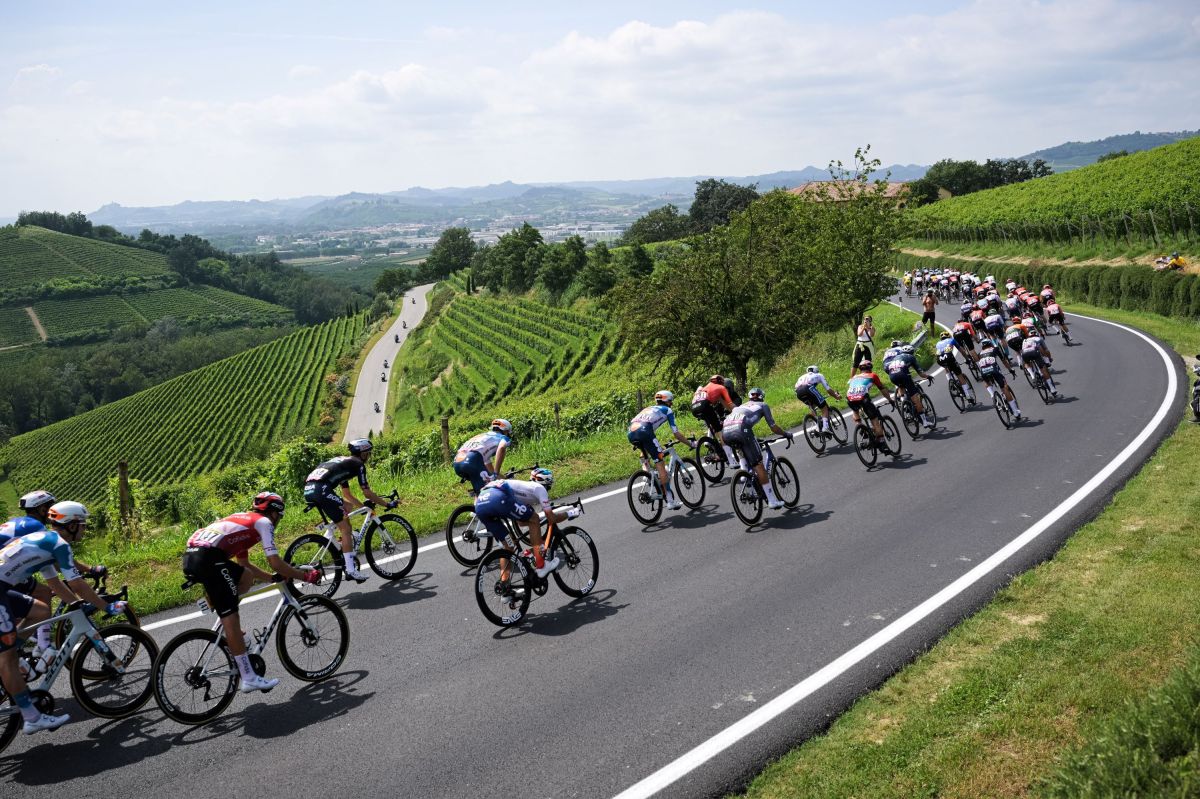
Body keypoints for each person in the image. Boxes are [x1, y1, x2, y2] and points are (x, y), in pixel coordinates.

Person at [0, 501, 124, 734]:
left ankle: (13, 651)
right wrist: (107, 607)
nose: (85, 530)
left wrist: (78, 605)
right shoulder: (59, 545)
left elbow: (56, 585)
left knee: (40, 611)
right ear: (71, 525)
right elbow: (77, 584)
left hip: (3, 587)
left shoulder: (47, 542)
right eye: (83, 525)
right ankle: (32, 718)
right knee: (7, 659)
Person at [183, 492, 320, 693]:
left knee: (245, 577)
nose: (278, 521)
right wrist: (304, 576)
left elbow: (244, 564)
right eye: (279, 517)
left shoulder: (244, 520)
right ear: (275, 513)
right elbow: (275, 562)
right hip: (208, 558)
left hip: (192, 556)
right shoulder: (264, 523)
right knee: (231, 616)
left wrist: (272, 578)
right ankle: (249, 677)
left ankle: (228, 623)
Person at [303, 439, 396, 582]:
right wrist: (386, 504)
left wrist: (363, 507)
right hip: (321, 490)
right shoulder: (358, 465)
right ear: (363, 453)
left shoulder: (343, 464)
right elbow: (367, 492)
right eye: (368, 453)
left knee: (348, 507)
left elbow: (347, 495)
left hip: (310, 489)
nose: (369, 456)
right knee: (345, 528)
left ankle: (339, 544)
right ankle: (351, 570)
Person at [474, 468, 581, 582]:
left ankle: (504, 586)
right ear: (546, 484)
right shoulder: (540, 489)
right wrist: (570, 513)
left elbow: (520, 522)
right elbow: (551, 518)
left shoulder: (523, 489)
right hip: (498, 498)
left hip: (480, 504)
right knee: (534, 519)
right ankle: (541, 565)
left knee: (509, 547)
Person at [721, 388, 793, 510]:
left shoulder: (741, 406)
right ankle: (772, 500)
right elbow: (773, 427)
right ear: (762, 397)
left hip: (725, 433)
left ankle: (744, 474)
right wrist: (785, 434)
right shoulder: (763, 405)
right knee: (758, 465)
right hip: (741, 430)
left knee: (741, 447)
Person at [627, 391, 694, 510]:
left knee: (648, 449)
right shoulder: (667, 410)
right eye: (670, 401)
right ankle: (670, 501)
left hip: (631, 432)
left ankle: (646, 472)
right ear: (666, 401)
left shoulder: (648, 408)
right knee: (660, 463)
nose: (671, 404)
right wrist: (690, 444)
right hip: (645, 431)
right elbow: (676, 434)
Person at [882, 340, 936, 430]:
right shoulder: (911, 357)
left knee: (901, 385)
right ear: (912, 352)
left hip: (891, 374)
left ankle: (904, 401)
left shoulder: (896, 356)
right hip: (902, 374)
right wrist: (928, 377)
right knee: (915, 397)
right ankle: (925, 421)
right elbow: (921, 374)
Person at [845, 361, 897, 453]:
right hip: (863, 398)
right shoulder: (873, 375)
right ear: (870, 368)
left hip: (850, 398)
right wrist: (890, 400)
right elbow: (882, 389)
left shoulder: (854, 377)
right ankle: (882, 444)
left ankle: (860, 426)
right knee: (875, 421)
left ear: (860, 369)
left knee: (855, 410)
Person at [453, 419, 513, 494]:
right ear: (506, 431)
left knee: (480, 491)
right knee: (487, 492)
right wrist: (496, 472)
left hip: (457, 463)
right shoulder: (503, 437)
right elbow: (501, 448)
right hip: (472, 460)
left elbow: (490, 472)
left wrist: (505, 480)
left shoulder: (483, 436)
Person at [690, 376, 735, 462]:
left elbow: (721, 402)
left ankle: (709, 441)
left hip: (694, 409)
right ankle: (731, 460)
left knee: (711, 421)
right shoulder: (721, 388)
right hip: (704, 406)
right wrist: (737, 412)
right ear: (721, 383)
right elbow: (729, 404)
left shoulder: (704, 388)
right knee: (719, 431)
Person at [977, 341, 1022, 419]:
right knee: (1004, 387)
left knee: (986, 382)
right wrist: (1010, 369)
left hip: (983, 372)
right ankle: (1015, 411)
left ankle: (992, 395)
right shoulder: (995, 349)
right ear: (990, 344)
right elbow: (1004, 361)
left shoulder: (980, 353)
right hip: (994, 370)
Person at [795, 365, 843, 437]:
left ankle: (816, 427)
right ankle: (825, 428)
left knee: (812, 407)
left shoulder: (802, 377)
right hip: (808, 388)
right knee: (824, 408)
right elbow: (828, 390)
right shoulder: (819, 375)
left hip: (798, 392)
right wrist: (836, 396)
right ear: (816, 371)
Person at [935, 331, 977, 404]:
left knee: (946, 366)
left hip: (939, 360)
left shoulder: (938, 343)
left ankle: (950, 381)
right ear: (948, 336)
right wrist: (967, 359)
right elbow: (962, 351)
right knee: (959, 375)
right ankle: (968, 396)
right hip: (949, 358)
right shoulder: (952, 340)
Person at [1020, 332, 1059, 396]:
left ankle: (1033, 375)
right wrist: (1047, 359)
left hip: (1025, 354)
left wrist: (1024, 363)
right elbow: (1043, 350)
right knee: (1043, 369)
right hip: (1034, 352)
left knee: (1027, 363)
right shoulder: (1037, 339)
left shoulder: (1024, 341)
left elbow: (1022, 351)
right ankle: (1052, 388)